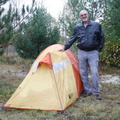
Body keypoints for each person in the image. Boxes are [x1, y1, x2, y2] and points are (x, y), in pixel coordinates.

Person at [59, 10, 105, 100]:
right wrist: (65, 48)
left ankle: (96, 92)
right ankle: (88, 91)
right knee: (83, 72)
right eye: (82, 15)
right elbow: (73, 38)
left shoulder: (96, 25)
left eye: (85, 14)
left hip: (93, 52)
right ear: (80, 17)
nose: (84, 16)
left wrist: (98, 49)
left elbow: (101, 38)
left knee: (94, 72)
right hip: (82, 52)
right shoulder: (78, 27)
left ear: (88, 15)